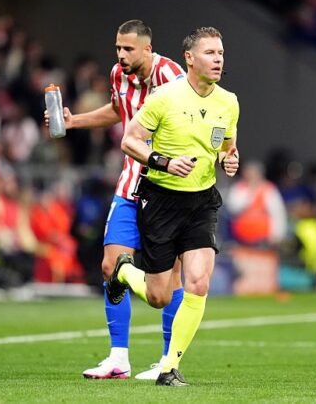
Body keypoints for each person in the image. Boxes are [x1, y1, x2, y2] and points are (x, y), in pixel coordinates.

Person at [45, 20, 186, 380]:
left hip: (169, 190)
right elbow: (117, 110)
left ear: (147, 50)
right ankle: (118, 358)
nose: (120, 55)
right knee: (111, 266)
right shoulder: (117, 74)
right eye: (117, 48)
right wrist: (74, 121)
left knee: (171, 280)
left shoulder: (172, 77)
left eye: (128, 49)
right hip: (129, 185)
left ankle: (168, 361)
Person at [107, 26, 239, 386]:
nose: (218, 60)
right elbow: (129, 140)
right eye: (211, 53)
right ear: (190, 58)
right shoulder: (165, 97)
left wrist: (229, 159)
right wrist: (162, 161)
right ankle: (124, 271)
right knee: (158, 296)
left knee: (198, 282)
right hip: (162, 199)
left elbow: (227, 145)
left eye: (221, 54)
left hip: (202, 201)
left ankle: (169, 366)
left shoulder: (229, 101)